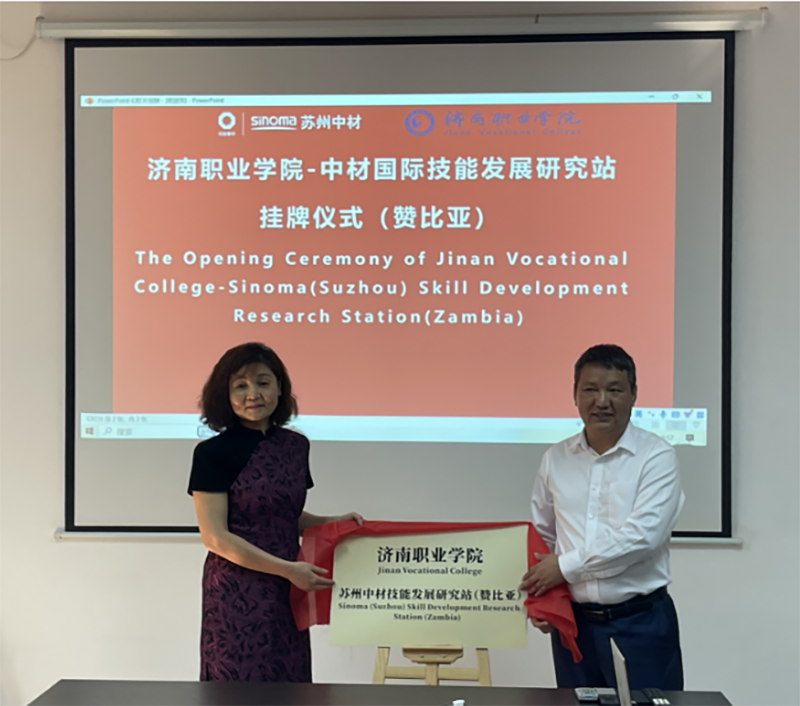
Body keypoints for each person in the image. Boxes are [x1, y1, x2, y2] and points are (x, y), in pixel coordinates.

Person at [188, 342, 362, 682]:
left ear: (280, 388)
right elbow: (215, 537)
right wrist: (287, 569)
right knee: (237, 686)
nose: (253, 394)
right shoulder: (211, 453)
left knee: (290, 682)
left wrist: (333, 523)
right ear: (226, 394)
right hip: (237, 588)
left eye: (263, 382)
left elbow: (284, 515)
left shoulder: (295, 446)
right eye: (240, 385)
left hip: (289, 586)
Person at [520, 344, 684, 690]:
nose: (601, 401)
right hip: (575, 626)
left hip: (641, 623)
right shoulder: (555, 459)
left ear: (634, 394)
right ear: (575, 394)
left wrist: (564, 567)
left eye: (614, 390)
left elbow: (643, 538)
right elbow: (542, 536)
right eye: (590, 390)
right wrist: (543, 600)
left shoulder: (656, 456)